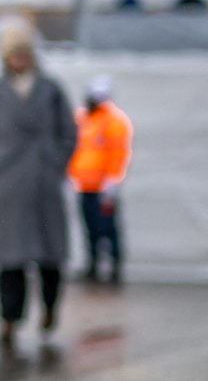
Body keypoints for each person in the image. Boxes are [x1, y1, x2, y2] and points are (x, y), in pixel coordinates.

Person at [0, 25, 78, 348]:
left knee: (50, 254)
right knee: (10, 258)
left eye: (25, 53)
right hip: (8, 185)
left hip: (43, 183)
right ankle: (9, 318)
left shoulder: (51, 91)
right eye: (14, 54)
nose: (20, 59)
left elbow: (70, 133)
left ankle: (50, 308)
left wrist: (54, 162)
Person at [67, 74, 133, 284]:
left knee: (108, 228)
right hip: (84, 186)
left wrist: (113, 180)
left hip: (104, 188)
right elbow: (72, 148)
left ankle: (114, 268)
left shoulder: (114, 122)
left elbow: (118, 153)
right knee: (89, 229)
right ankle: (92, 265)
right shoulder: (83, 119)